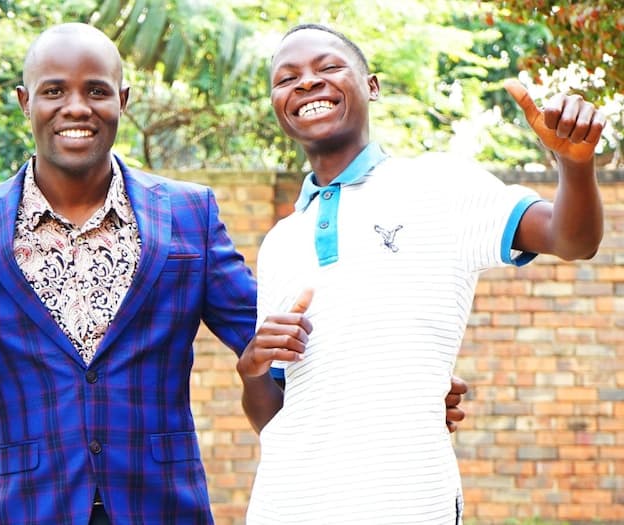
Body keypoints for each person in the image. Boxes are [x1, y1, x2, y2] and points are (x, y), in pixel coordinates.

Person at [0, 23, 468, 524]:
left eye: (96, 90)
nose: (76, 107)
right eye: (53, 91)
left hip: (165, 504)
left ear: (122, 100)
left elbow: (272, 343)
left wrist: (402, 388)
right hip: (29, 507)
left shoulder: (187, 215)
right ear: (25, 102)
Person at [238, 23, 605, 524]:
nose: (306, 83)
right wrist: (252, 370)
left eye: (328, 68)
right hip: (288, 506)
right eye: (287, 78)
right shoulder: (280, 241)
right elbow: (276, 415)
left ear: (371, 85)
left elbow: (573, 239)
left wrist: (574, 167)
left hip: (411, 502)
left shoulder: (438, 184)